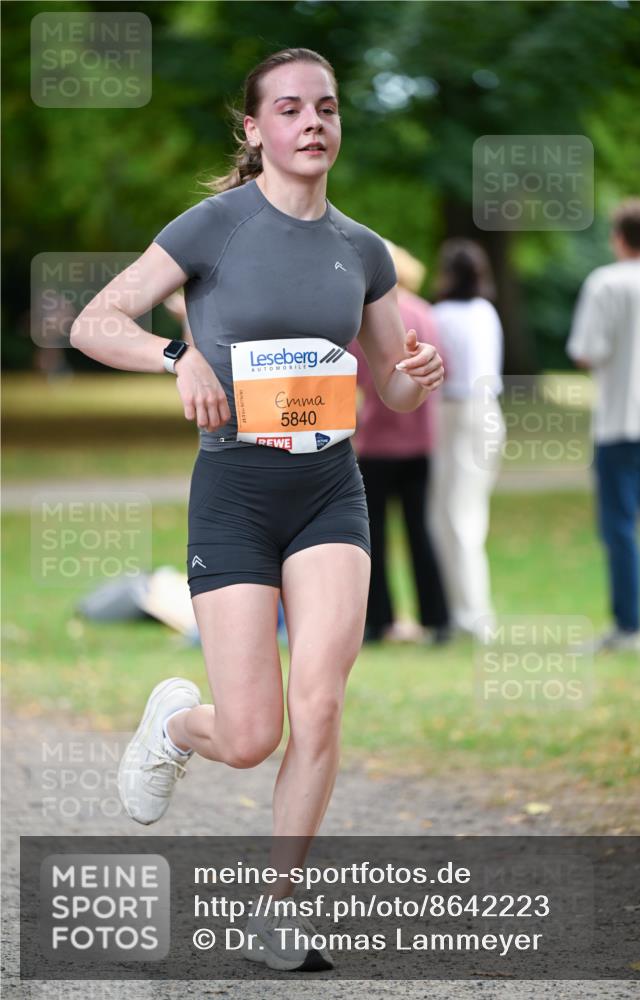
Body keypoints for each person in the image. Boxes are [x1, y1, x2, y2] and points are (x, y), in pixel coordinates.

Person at [70, 47, 444, 971]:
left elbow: (392, 385)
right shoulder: (211, 227)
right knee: (249, 735)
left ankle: (280, 910)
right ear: (255, 130)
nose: (312, 122)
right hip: (234, 492)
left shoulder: (360, 250)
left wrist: (414, 377)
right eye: (289, 109)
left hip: (328, 492)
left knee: (317, 704)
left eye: (325, 108)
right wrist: (176, 357)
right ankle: (173, 727)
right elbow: (94, 321)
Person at [566, 198, 640, 653]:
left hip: (621, 420)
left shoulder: (605, 283)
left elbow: (587, 350)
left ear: (619, 236)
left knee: (621, 526)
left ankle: (628, 628)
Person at [348, 240, 450, 644]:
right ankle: (437, 618)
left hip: (377, 441)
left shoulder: (368, 318)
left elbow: (355, 375)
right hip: (420, 440)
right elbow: (445, 370)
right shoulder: (425, 314)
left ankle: (378, 620)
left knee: (373, 535)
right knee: (421, 530)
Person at [429, 240, 505, 641]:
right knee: (464, 515)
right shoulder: (486, 312)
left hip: (457, 412)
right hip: (488, 411)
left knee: (454, 518)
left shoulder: (440, 316)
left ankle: (471, 614)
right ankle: (464, 610)